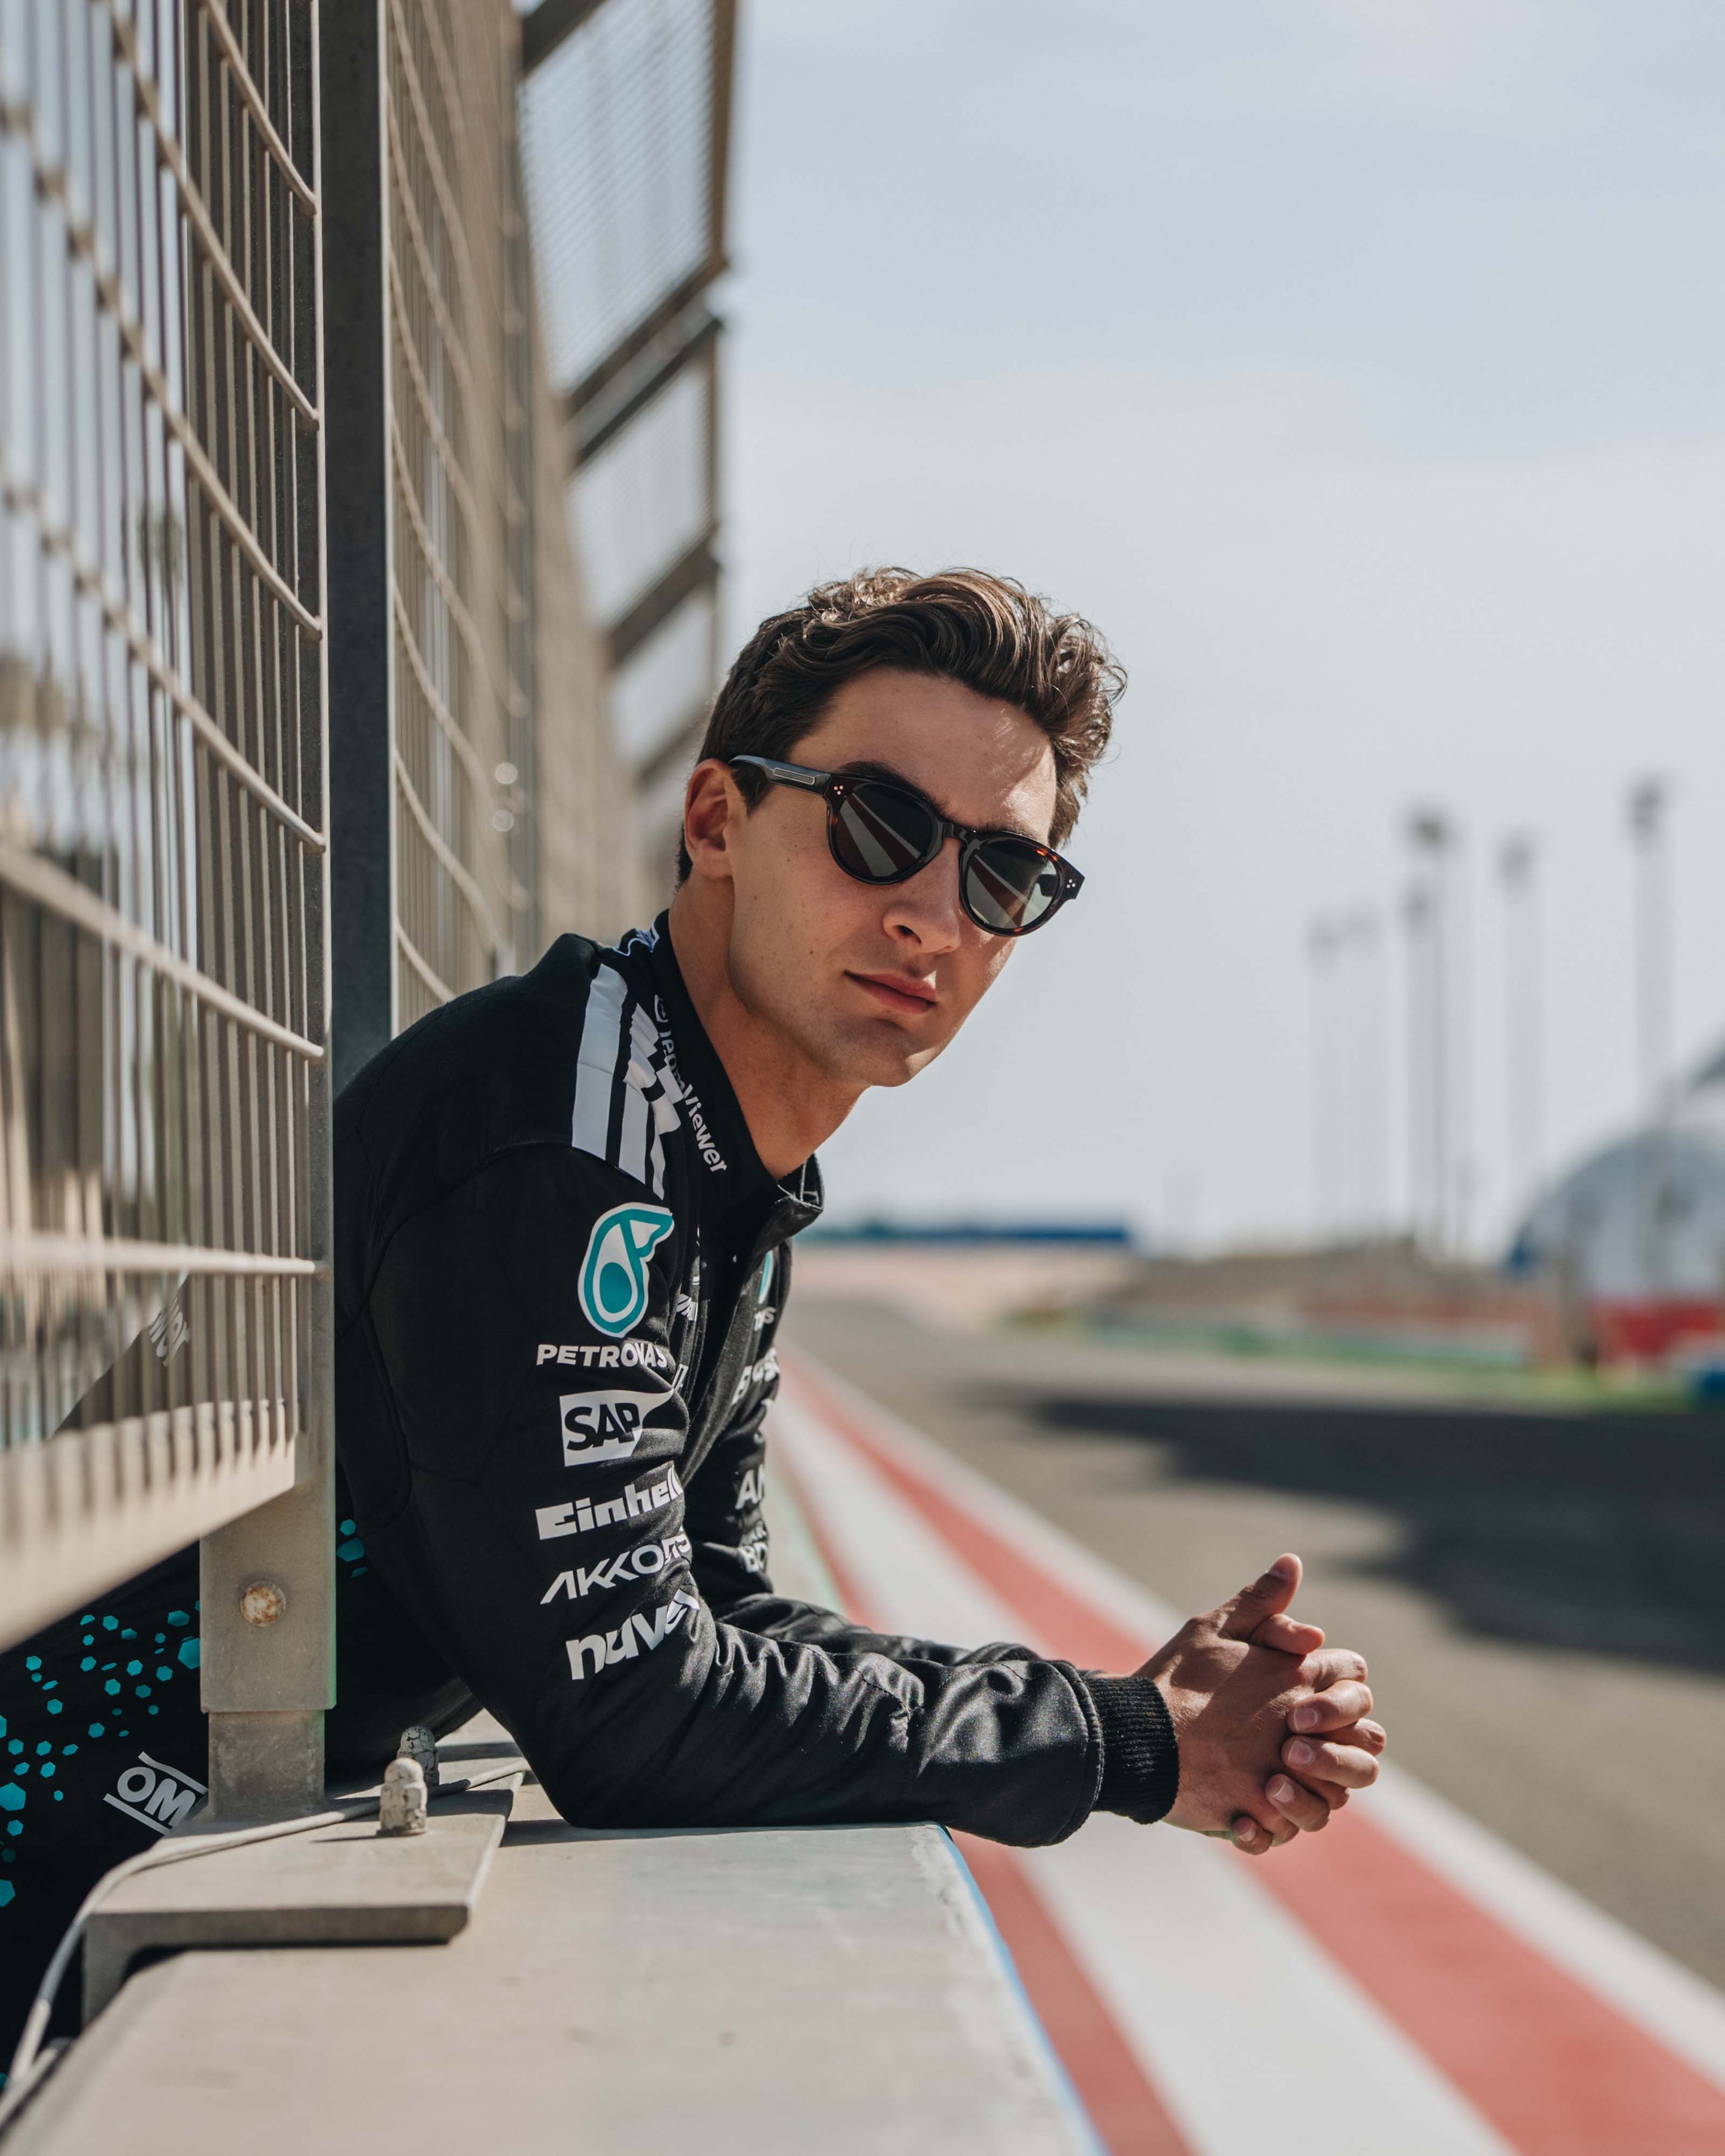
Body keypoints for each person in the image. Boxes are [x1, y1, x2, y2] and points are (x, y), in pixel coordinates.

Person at [0, 569, 1382, 2057]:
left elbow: (712, 1607)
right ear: (717, 820)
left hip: (163, 1871)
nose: (931, 914)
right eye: (880, 824)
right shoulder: (559, 1136)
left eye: (1002, 875)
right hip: (56, 1865)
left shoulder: (710, 1159)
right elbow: (633, 1709)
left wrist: (1118, 1716)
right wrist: (1118, 1745)